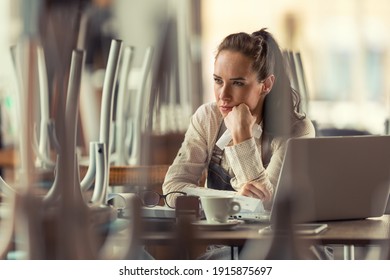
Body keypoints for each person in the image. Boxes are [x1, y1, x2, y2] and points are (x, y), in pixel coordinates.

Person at [162, 28, 316, 258]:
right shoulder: (208, 118)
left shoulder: (297, 131)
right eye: (217, 80)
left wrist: (242, 136)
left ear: (266, 85)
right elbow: (173, 188)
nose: (223, 94)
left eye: (238, 83)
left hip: (283, 251)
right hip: (227, 250)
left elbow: (265, 206)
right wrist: (229, 202)